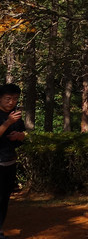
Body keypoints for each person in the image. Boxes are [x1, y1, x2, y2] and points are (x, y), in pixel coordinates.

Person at [0, 84, 26, 239]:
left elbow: (21, 136)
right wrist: (7, 123)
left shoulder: (15, 116)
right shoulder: (9, 118)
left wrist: (20, 136)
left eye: (15, 99)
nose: (11, 102)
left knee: (4, 198)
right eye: (8, 98)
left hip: (9, 162)